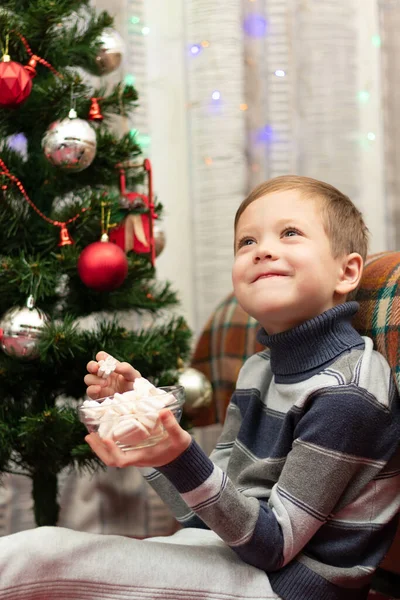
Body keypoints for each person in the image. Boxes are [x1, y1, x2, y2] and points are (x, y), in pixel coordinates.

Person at [1, 175, 399, 600]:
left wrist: (178, 454)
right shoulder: (258, 369)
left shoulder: (347, 390)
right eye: (246, 242)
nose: (263, 249)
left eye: (290, 233)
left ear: (348, 271)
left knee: (39, 554)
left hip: (292, 586)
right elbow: (203, 516)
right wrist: (146, 418)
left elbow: (275, 546)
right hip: (236, 555)